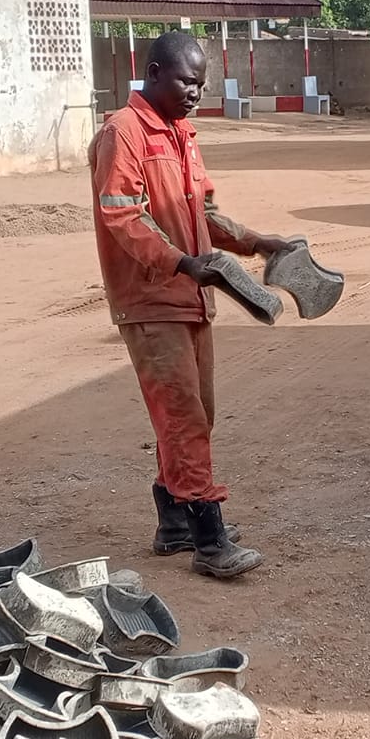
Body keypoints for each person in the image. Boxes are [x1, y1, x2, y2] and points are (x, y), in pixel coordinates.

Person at [89, 31, 292, 579]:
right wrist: (182, 263)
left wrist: (254, 241)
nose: (195, 92)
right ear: (153, 73)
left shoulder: (182, 133)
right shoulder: (122, 134)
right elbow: (123, 216)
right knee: (183, 418)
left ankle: (174, 523)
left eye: (201, 83)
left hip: (191, 297)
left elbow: (206, 212)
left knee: (196, 413)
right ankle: (209, 540)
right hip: (151, 298)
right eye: (185, 80)